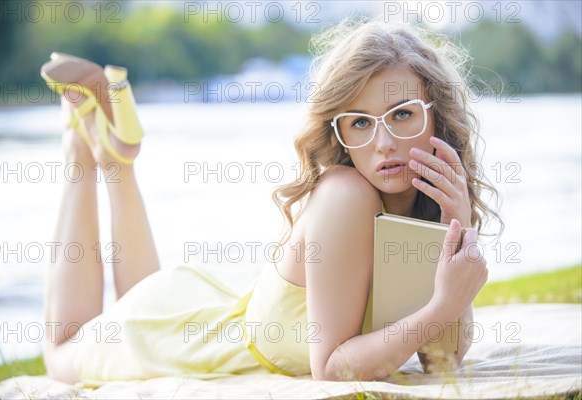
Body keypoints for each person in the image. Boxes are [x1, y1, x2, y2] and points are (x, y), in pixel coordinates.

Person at [41, 18, 502, 385]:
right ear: (339, 131)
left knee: (132, 300)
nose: (383, 143)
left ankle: (118, 160)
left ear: (436, 117)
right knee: (61, 351)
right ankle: (78, 146)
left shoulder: (426, 205)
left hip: (206, 304)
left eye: (402, 114)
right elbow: (333, 369)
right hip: (197, 340)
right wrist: (442, 307)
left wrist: (454, 226)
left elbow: (442, 363)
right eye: (359, 122)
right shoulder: (346, 195)